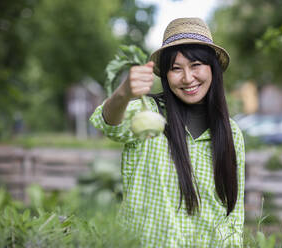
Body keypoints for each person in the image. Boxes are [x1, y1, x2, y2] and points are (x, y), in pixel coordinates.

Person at [90, 17, 245, 247]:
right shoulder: (148, 114)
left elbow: (234, 215)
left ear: (212, 68)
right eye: (176, 69)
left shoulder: (231, 132)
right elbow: (108, 124)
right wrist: (124, 93)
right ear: (165, 75)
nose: (187, 78)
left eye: (196, 65)